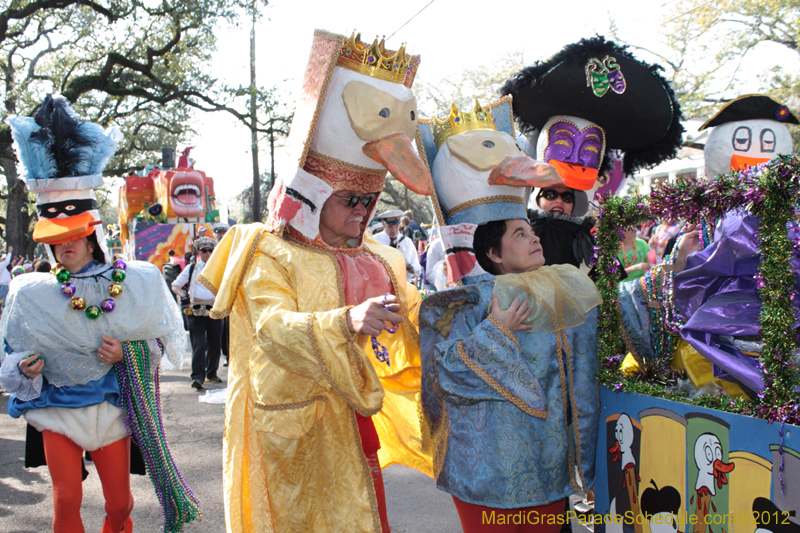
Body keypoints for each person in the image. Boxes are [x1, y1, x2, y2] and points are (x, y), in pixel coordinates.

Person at [197, 29, 433, 533]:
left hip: (354, 421)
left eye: (369, 200)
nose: (363, 211)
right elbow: (272, 327)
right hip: (293, 431)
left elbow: (416, 316)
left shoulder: (379, 257)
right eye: (351, 199)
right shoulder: (267, 251)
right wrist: (346, 320)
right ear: (313, 195)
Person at [0, 94, 195, 533]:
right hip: (57, 410)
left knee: (121, 504)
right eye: (56, 238)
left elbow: (161, 342)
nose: (63, 245)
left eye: (72, 235)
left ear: (92, 236)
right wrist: (24, 368)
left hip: (111, 410)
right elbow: (9, 358)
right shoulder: (31, 293)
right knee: (66, 498)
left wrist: (127, 353)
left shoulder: (136, 281)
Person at [420, 217, 602, 533]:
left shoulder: (564, 289)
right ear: (494, 254)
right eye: (520, 234)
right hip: (484, 472)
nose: (535, 239)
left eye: (532, 232)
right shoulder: (472, 301)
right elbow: (444, 374)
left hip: (547, 467)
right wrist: (496, 331)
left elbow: (595, 355)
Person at [171, 236, 221, 389]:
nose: (208, 253)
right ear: (199, 252)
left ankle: (211, 373)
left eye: (211, 250)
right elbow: (175, 285)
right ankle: (197, 377)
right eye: (204, 250)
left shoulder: (221, 268)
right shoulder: (191, 268)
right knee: (198, 344)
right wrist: (184, 297)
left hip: (215, 311)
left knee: (215, 344)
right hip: (195, 312)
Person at [373, 209, 422, 284]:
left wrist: (407, 266)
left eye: (396, 226)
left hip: (403, 285)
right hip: (380, 286)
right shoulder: (375, 241)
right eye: (390, 227)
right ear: (383, 224)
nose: (394, 230)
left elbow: (418, 270)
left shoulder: (407, 242)